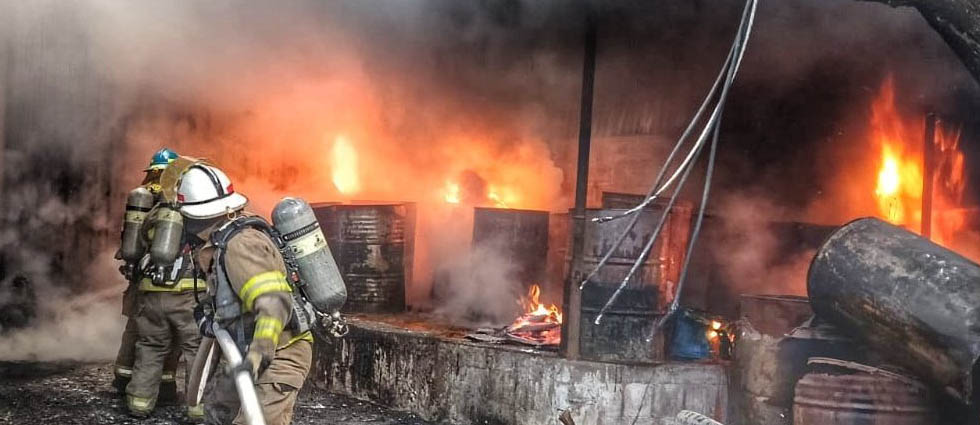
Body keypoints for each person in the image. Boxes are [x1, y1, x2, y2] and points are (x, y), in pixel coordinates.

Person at [177, 163, 312, 425]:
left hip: (279, 353)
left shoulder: (240, 245)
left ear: (197, 217)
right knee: (219, 413)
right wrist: (208, 316)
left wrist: (257, 356)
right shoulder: (217, 243)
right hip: (244, 353)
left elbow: (275, 302)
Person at [113, 148, 182, 400]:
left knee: (135, 328)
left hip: (139, 276)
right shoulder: (174, 199)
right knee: (166, 337)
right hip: (166, 278)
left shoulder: (141, 198)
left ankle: (123, 378)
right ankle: (164, 387)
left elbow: (130, 238)